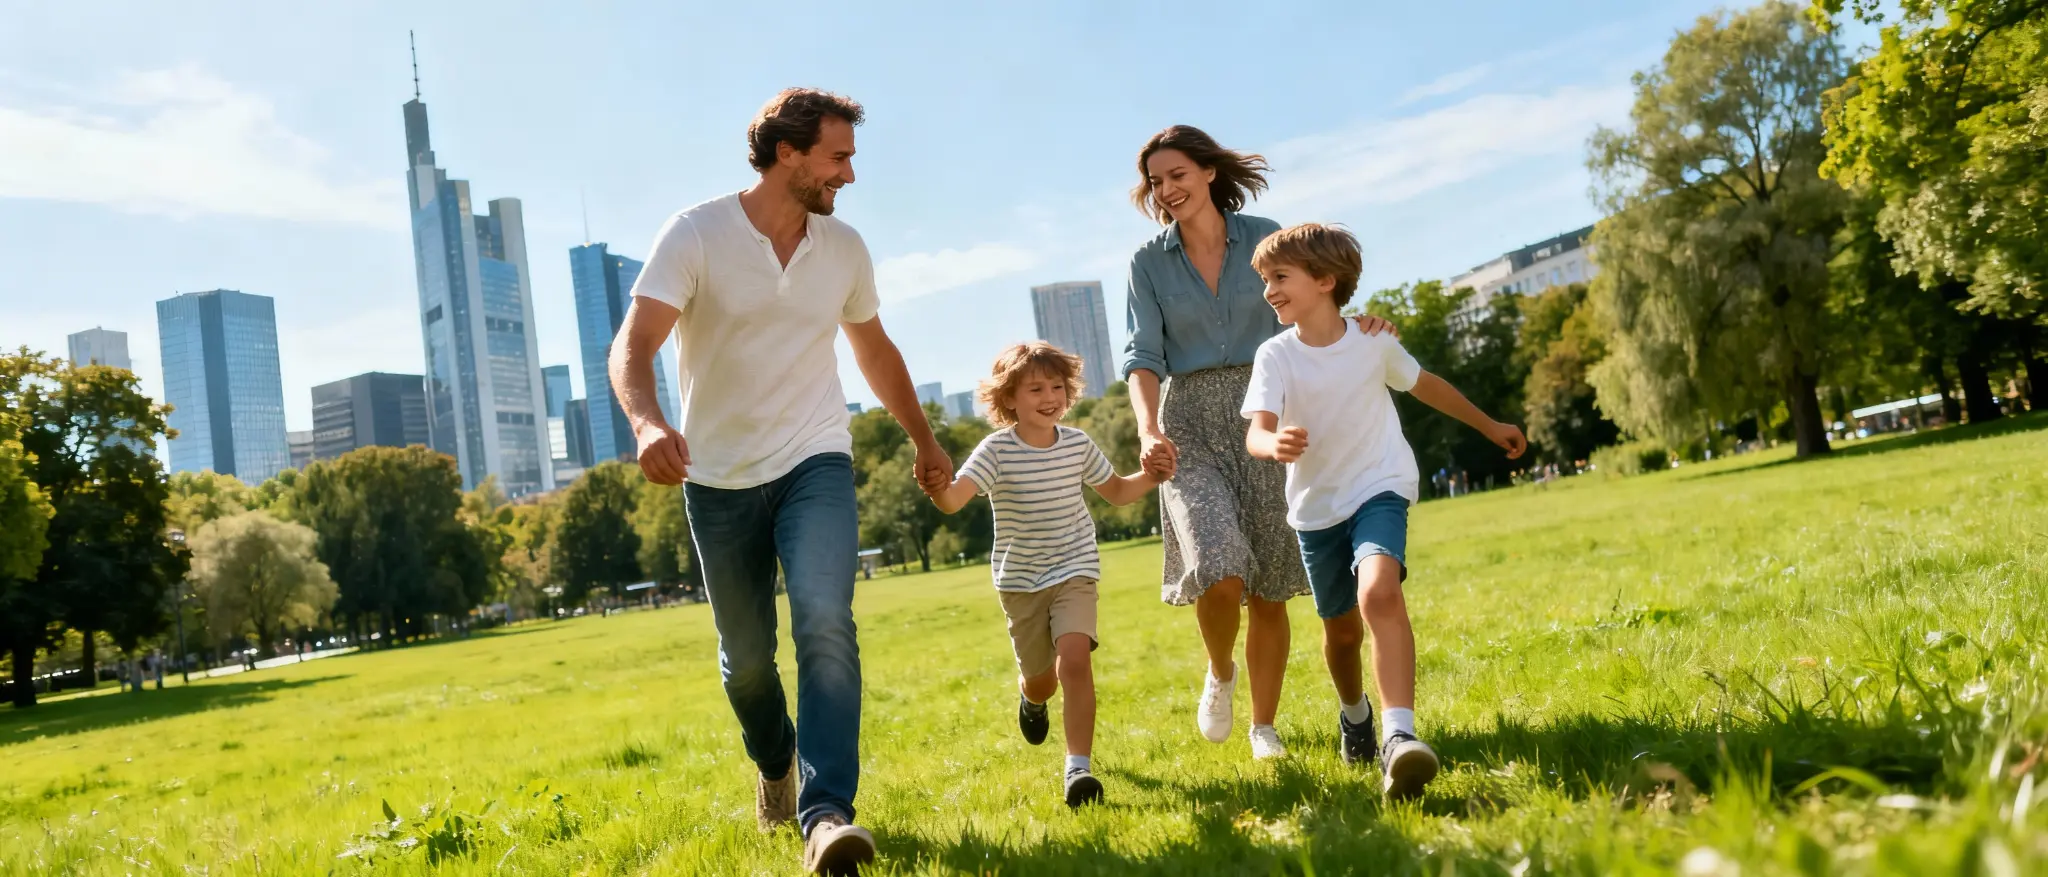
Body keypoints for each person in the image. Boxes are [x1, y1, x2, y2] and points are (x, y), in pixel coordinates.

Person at [610, 87, 952, 876]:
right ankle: (775, 763)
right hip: (720, 476)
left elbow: (874, 351)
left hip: (816, 458)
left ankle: (826, 814)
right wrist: (648, 424)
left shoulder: (844, 248)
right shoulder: (696, 233)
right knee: (749, 660)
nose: (850, 176)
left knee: (826, 617)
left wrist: (925, 439)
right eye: (839, 158)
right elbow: (634, 345)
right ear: (788, 153)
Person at [1121, 125, 1395, 759]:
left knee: (1271, 584)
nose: (1167, 191)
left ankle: (1262, 728)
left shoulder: (1264, 236)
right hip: (1186, 419)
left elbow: (1314, 296)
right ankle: (1220, 672)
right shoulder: (1147, 262)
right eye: (1157, 182)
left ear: (1209, 173)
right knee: (1218, 566)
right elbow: (1141, 354)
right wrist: (1147, 426)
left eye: (1178, 176)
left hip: (1268, 409)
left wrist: (1363, 326)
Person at [1240, 223, 1526, 799]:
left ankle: (1400, 737)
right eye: (1265, 279)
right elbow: (1257, 432)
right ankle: (1355, 714)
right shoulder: (1275, 355)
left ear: (1325, 280)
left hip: (1380, 486)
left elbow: (1427, 386)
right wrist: (1275, 446)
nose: (1268, 290)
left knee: (1380, 594)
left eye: (1279, 277)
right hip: (1315, 509)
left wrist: (1491, 426)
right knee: (1341, 635)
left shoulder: (1373, 342)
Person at [925, 342, 1171, 809]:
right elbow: (955, 500)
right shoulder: (996, 450)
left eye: (1057, 386)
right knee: (1043, 680)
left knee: (1075, 659)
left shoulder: (1077, 443)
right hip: (1020, 581)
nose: (1050, 395)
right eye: (1035, 387)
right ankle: (1031, 698)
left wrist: (1154, 476)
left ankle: (1078, 769)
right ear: (1009, 399)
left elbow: (1117, 491)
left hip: (1075, 567)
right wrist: (938, 487)